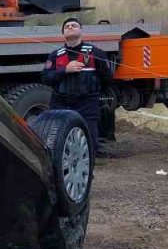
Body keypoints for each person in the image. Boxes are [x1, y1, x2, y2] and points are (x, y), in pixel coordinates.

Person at [42, 18, 114, 156]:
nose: (70, 27)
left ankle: (89, 160)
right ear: (63, 33)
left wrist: (94, 94)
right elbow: (45, 78)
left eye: (74, 25)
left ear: (81, 30)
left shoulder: (96, 53)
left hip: (87, 103)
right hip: (61, 103)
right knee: (59, 138)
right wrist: (65, 70)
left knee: (89, 139)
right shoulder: (55, 56)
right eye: (67, 26)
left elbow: (107, 78)